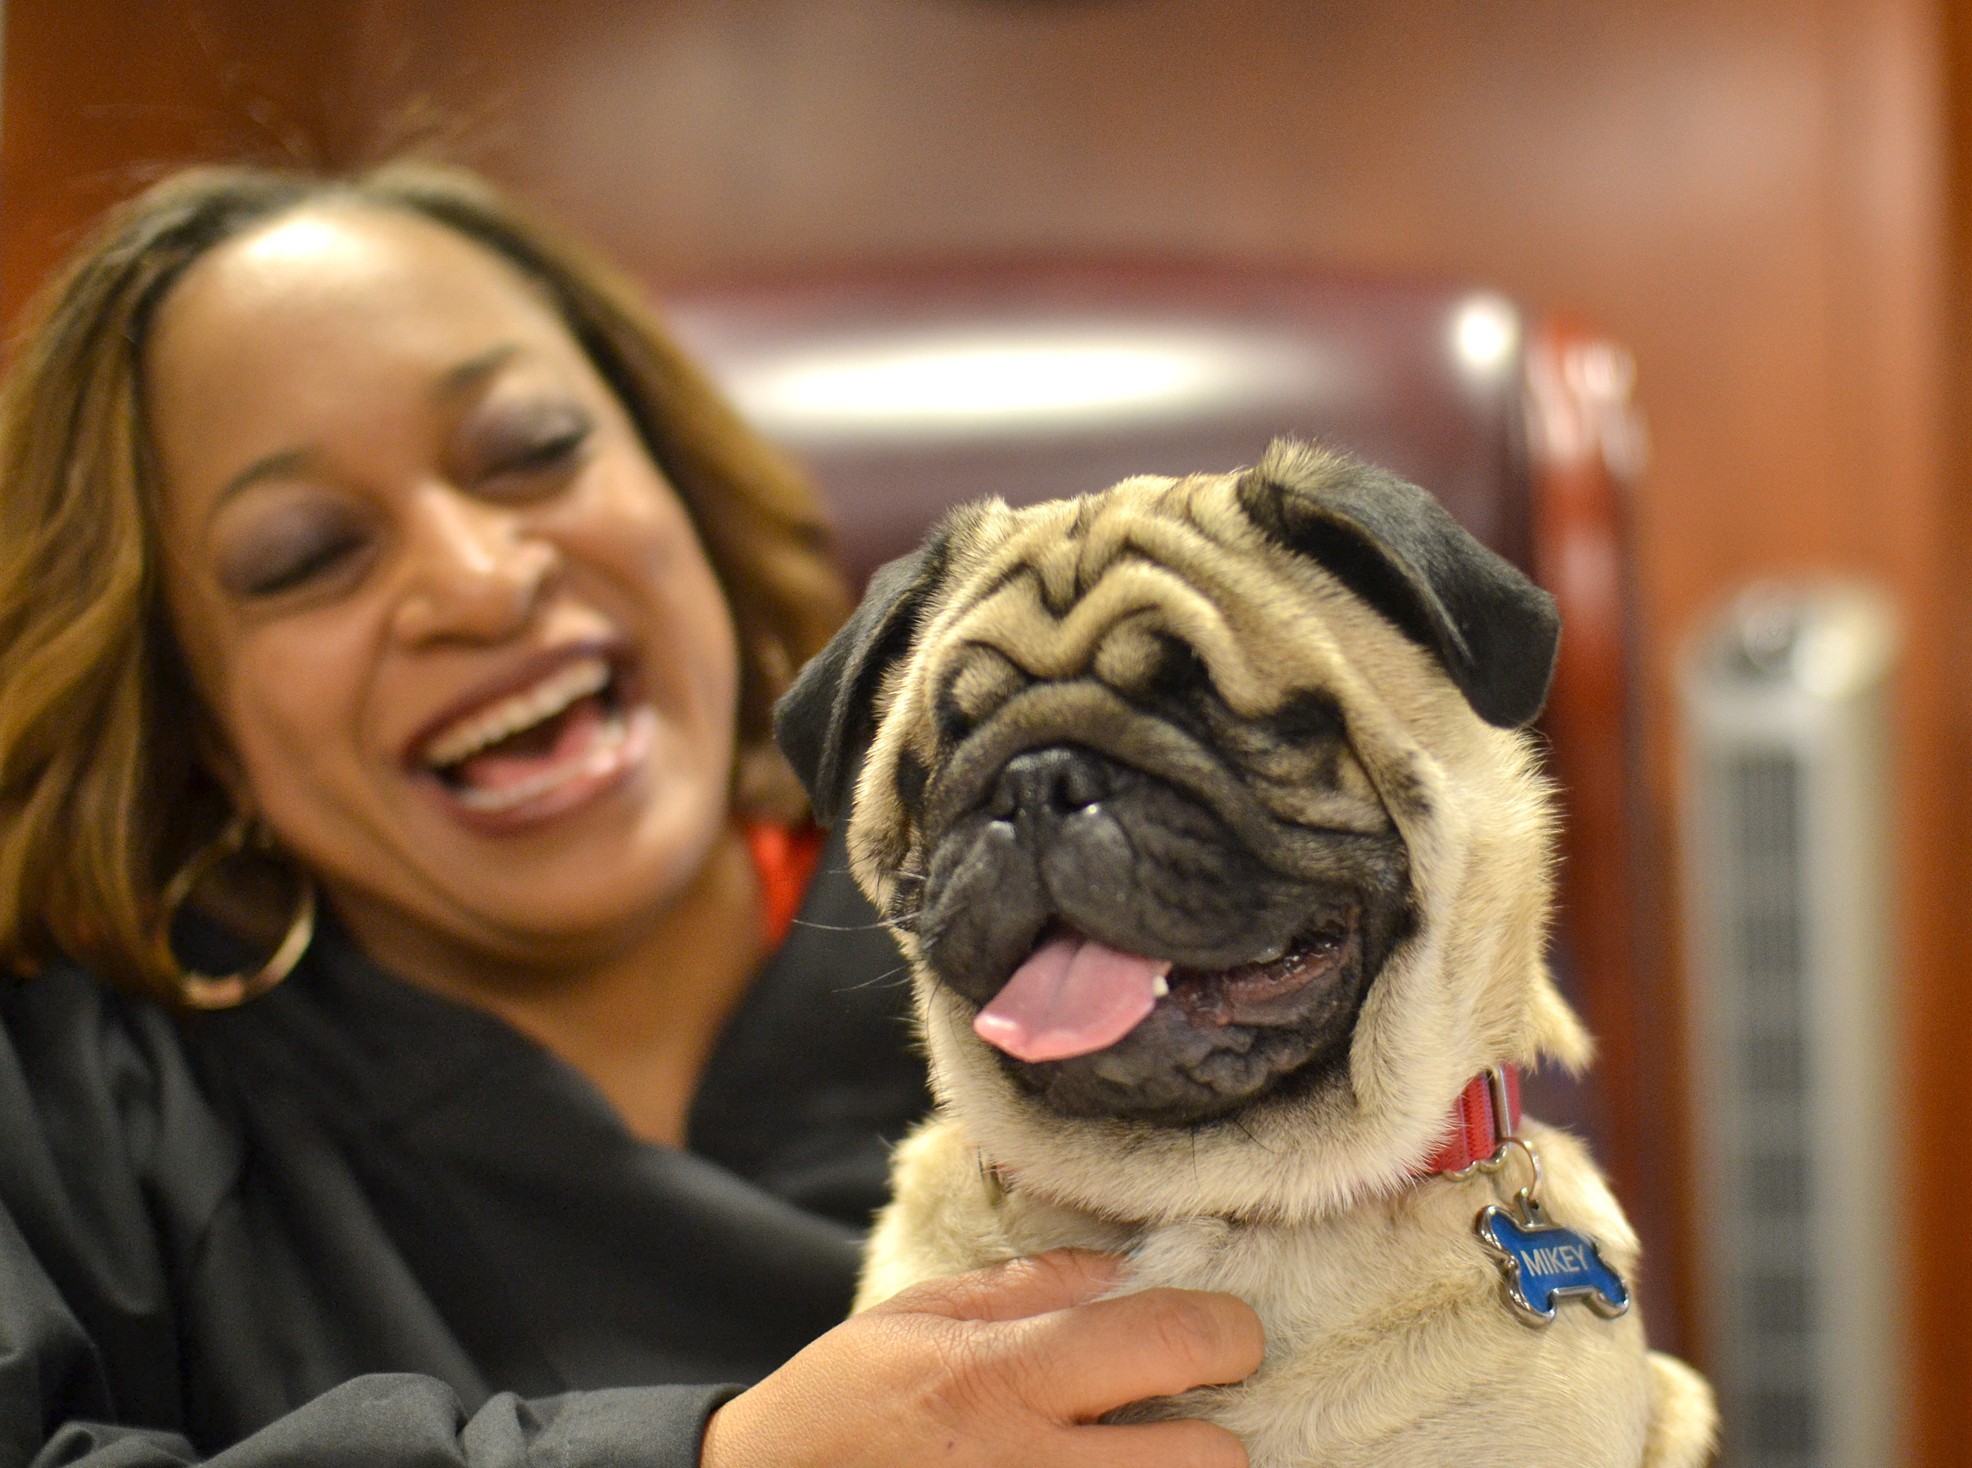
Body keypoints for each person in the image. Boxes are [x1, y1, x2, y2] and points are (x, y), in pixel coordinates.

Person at [0, 163, 1263, 1468]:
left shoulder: (1141, 898)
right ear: (191, 715)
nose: (480, 583)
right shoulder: (77, 1110)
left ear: (679, 484)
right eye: (308, 557)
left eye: (533, 453)